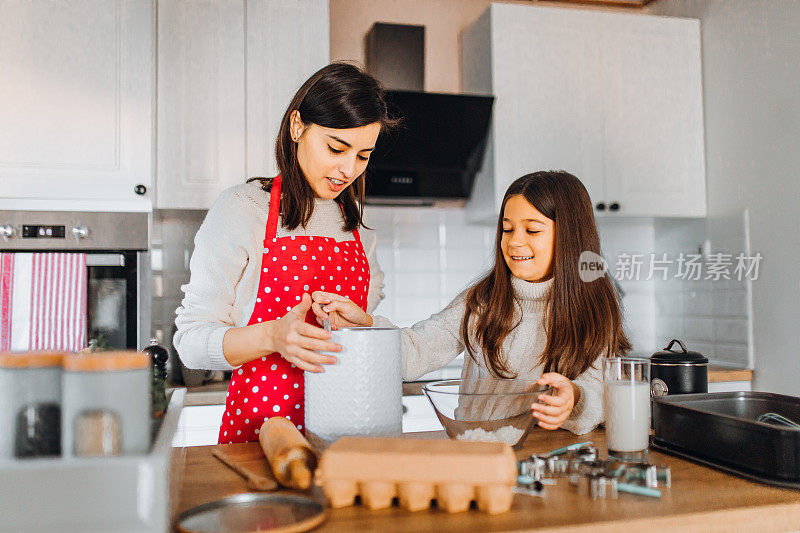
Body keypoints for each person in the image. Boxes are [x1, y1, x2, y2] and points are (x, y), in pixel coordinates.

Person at [174, 63, 396, 443]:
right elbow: (190, 343)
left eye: (363, 155)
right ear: (297, 126)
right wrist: (272, 337)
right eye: (336, 148)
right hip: (261, 441)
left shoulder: (356, 229)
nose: (348, 169)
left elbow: (364, 340)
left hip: (345, 440)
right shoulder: (243, 208)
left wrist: (366, 328)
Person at [312, 171, 631, 434]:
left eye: (532, 230)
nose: (514, 241)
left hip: (550, 458)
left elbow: (599, 394)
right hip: (478, 452)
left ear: (570, 237)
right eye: (507, 229)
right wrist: (366, 324)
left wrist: (573, 397)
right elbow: (416, 352)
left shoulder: (595, 307)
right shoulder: (483, 300)